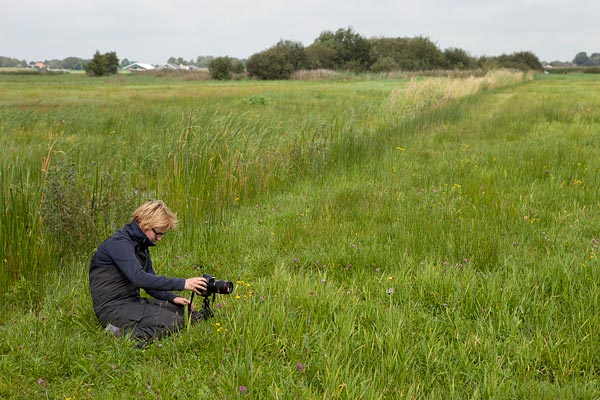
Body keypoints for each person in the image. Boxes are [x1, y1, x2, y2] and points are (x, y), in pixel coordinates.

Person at [89, 200, 208, 344]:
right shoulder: (119, 244)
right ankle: (118, 332)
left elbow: (150, 282)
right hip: (112, 309)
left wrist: (173, 298)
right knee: (175, 322)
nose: (159, 239)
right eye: (158, 233)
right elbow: (139, 278)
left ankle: (139, 325)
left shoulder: (141, 246)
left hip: (132, 303)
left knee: (188, 313)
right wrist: (183, 283)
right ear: (145, 225)